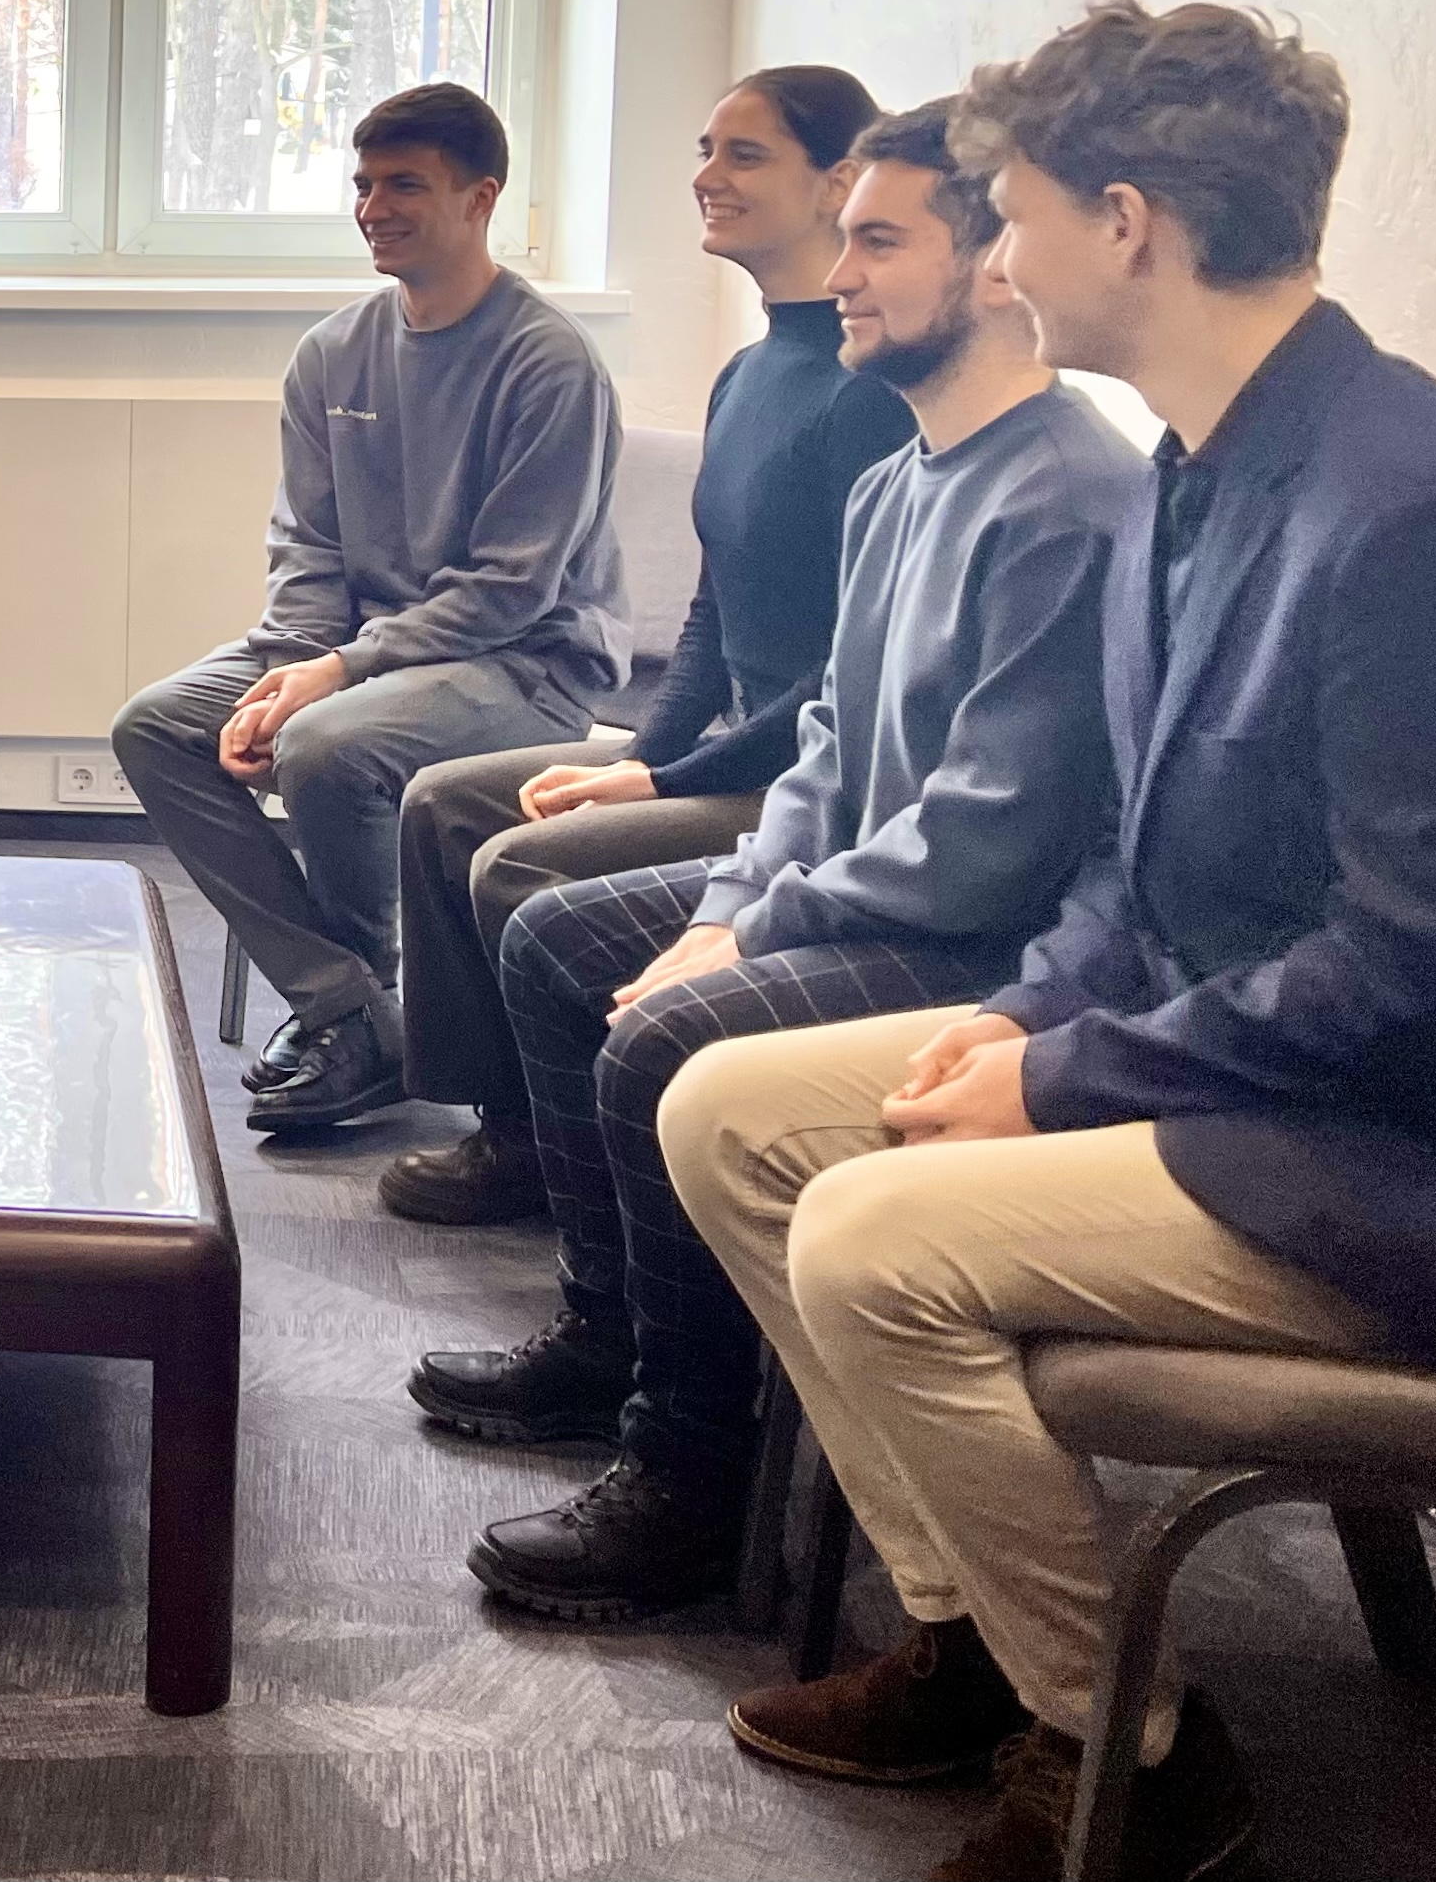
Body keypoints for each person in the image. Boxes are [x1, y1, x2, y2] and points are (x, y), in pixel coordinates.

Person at [662, 1, 1436, 1882]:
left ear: (1124, 225)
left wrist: (1060, 1072)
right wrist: (1024, 1018)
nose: (996, 257)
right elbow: (1133, 876)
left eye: (1012, 215)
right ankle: (980, 1635)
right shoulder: (1190, 468)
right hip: (1230, 1075)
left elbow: (1415, 970)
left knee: (869, 1237)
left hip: (1413, 1160)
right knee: (725, 1111)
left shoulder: (1421, 511)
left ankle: (1122, 1755)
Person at [422, 106, 1141, 1625]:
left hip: (982, 946)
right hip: (874, 894)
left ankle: (689, 1468)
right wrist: (741, 898)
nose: (844, 274)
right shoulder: (904, 480)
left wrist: (755, 928)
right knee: (557, 941)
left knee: (662, 1036)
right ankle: (610, 1338)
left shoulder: (1069, 498)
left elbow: (985, 838)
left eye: (879, 242)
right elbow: (822, 742)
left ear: (993, 267)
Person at [380, 66, 916, 1224]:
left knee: (518, 861)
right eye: (705, 150)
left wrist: (667, 781)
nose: (707, 176)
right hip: (726, 748)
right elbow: (715, 614)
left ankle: (560, 1158)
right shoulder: (749, 374)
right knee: (447, 803)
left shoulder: (866, 395)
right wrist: (643, 757)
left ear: (838, 182)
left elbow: (846, 673)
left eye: (744, 154)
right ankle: (509, 1123)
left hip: (798, 777)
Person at [112, 84, 628, 1133]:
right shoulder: (330, 354)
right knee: (156, 726)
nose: (373, 208)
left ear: (480, 198)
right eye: (363, 184)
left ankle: (359, 1025)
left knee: (326, 748)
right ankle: (355, 1011)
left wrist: (336, 676)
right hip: (353, 655)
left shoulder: (550, 364)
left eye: (405, 186)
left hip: (524, 664)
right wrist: (293, 666)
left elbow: (510, 588)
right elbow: (309, 544)